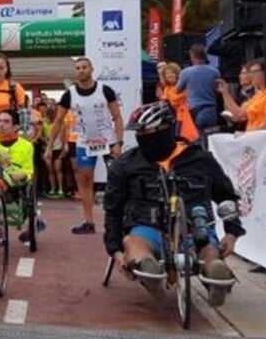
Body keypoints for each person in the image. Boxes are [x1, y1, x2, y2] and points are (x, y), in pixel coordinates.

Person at [103, 101, 244, 306]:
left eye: (149, 134)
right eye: (139, 135)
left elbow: (226, 196)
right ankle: (148, 269)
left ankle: (216, 273)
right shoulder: (125, 165)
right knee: (133, 243)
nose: (143, 139)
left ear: (166, 131)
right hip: (146, 228)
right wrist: (115, 250)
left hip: (194, 227)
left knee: (207, 248)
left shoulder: (201, 159)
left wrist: (232, 233)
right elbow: (113, 209)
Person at [47, 57, 125, 235]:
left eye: (84, 67)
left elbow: (117, 117)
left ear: (91, 69)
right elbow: (58, 121)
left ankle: (117, 221)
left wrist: (119, 143)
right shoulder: (69, 94)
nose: (81, 70)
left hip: (107, 141)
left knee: (116, 180)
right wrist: (49, 146)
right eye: (77, 68)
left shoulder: (105, 90)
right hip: (85, 143)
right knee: (85, 180)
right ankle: (89, 222)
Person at [216, 58, 266, 131]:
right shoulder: (260, 94)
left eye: (254, 72)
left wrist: (247, 135)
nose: (250, 76)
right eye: (250, 72)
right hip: (257, 138)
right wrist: (225, 92)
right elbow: (239, 114)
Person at [175, 44, 221, 136]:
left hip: (194, 109)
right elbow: (217, 89)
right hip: (210, 108)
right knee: (211, 138)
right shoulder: (215, 71)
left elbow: (178, 90)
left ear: (192, 55)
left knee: (196, 139)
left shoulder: (186, 72)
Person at [157, 62, 199, 142]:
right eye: (167, 73)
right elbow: (164, 101)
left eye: (172, 72)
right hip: (178, 117)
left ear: (177, 74)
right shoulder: (167, 89)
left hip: (189, 114)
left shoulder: (183, 86)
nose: (169, 75)